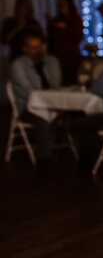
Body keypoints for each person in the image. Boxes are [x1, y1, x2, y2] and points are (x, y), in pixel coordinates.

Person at [9, 31, 62, 162]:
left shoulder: (51, 61)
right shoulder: (18, 65)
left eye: (39, 47)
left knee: (75, 114)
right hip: (28, 107)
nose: (36, 51)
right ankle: (45, 159)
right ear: (25, 49)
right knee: (42, 119)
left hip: (53, 103)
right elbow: (30, 92)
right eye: (32, 48)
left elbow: (56, 84)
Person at [48, 0, 84, 85]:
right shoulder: (56, 19)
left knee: (73, 82)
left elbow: (79, 37)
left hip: (72, 57)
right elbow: (50, 38)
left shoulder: (76, 19)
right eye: (59, 3)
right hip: (57, 57)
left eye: (62, 3)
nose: (60, 5)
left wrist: (66, 28)